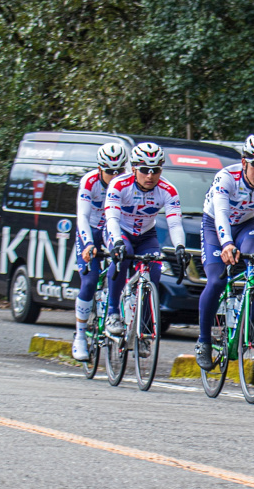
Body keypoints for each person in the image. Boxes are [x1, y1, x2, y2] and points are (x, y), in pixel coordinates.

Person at [194, 133, 254, 370]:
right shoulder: (226, 178)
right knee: (216, 282)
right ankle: (203, 341)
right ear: (244, 163)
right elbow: (221, 213)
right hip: (215, 225)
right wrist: (226, 244)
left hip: (247, 224)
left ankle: (252, 328)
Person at [104, 142, 188, 336]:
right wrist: (116, 241)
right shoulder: (119, 185)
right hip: (120, 231)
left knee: (155, 268)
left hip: (146, 235)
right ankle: (113, 313)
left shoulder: (168, 189)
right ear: (133, 168)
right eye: (144, 170)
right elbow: (112, 218)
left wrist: (180, 247)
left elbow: (174, 223)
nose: (150, 176)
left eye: (156, 170)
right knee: (124, 258)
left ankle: (144, 326)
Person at [71, 143, 128, 361]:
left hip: (114, 229)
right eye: (109, 171)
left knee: (123, 265)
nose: (114, 176)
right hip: (92, 230)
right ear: (100, 168)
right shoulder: (89, 181)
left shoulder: (128, 183)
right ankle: (80, 336)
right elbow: (82, 217)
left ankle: (118, 312)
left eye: (119, 171)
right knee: (89, 280)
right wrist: (87, 244)